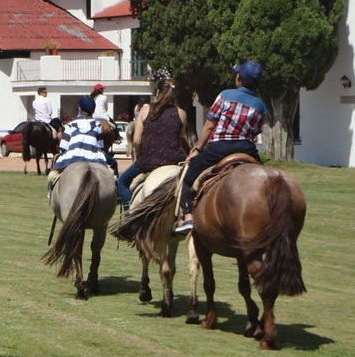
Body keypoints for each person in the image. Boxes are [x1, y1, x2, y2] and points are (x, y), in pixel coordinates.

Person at [174, 60, 267, 235]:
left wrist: (199, 148)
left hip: (219, 148)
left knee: (186, 176)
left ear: (239, 79)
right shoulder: (261, 106)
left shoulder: (225, 95)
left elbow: (210, 124)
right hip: (247, 149)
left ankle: (187, 218)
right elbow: (255, 131)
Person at [116, 81, 188, 210]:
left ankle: (128, 215)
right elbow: (182, 139)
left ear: (157, 93)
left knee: (121, 182)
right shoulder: (181, 113)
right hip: (174, 161)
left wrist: (141, 154)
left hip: (149, 161)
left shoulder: (145, 109)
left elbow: (137, 140)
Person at [47, 95, 109, 187]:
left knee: (53, 176)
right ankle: (116, 192)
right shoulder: (97, 125)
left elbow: (63, 147)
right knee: (112, 169)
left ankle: (52, 190)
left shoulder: (71, 125)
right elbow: (100, 147)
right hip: (94, 158)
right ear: (93, 110)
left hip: (72, 157)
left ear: (79, 108)